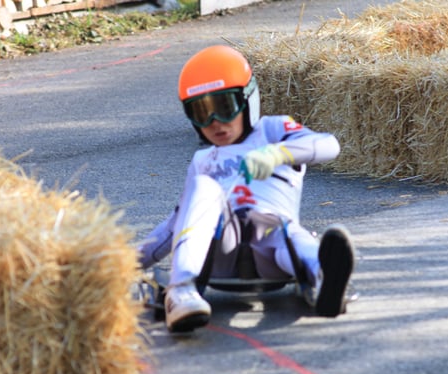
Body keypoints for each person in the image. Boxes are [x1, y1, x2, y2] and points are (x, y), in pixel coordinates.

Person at [138, 45, 355, 332]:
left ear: (247, 100)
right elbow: (177, 223)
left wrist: (278, 153)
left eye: (224, 108)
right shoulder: (202, 160)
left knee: (288, 234)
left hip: (272, 243)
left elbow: (330, 145)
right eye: (202, 113)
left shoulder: (273, 130)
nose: (215, 123)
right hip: (220, 248)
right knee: (203, 187)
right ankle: (182, 291)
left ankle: (324, 277)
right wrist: (126, 263)